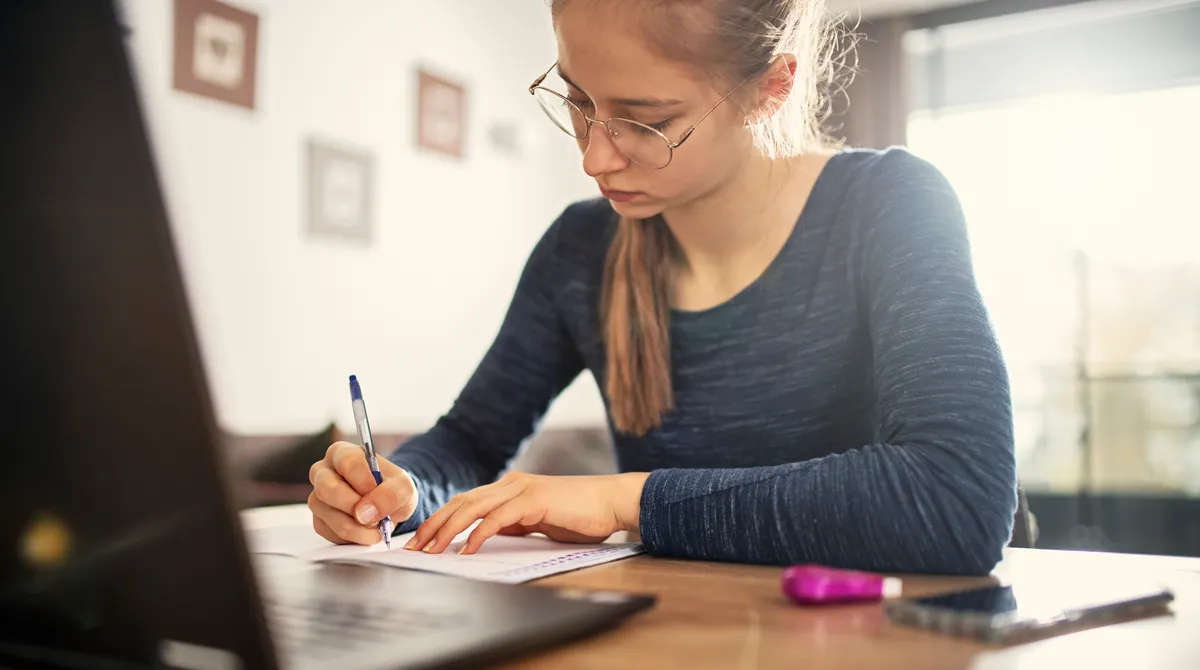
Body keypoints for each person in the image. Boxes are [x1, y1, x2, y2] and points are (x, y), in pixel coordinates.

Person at [306, 0, 1018, 575]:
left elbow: (955, 497)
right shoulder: (579, 250)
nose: (592, 154)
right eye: (577, 98)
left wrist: (627, 501)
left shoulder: (890, 206)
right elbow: (470, 439)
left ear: (771, 88)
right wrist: (393, 489)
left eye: (646, 121)